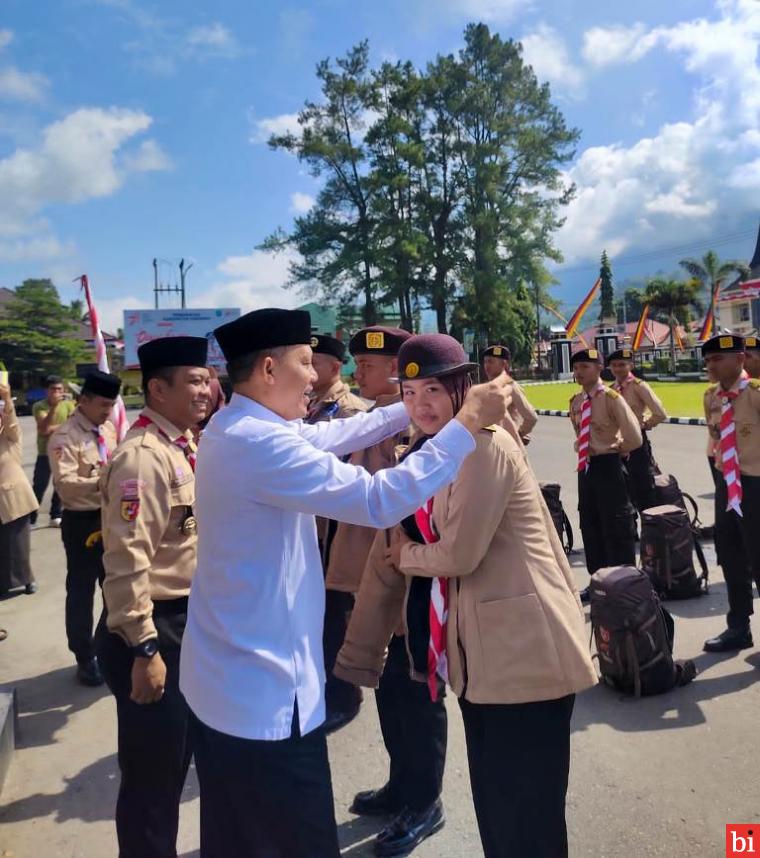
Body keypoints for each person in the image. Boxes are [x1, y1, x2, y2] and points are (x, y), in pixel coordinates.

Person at [179, 308, 511, 858]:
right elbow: (378, 501)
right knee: (294, 839)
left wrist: (398, 409)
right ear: (267, 369)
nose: (315, 376)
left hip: (227, 685)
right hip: (265, 697)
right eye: (305, 363)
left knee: (235, 835)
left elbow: (328, 434)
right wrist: (462, 427)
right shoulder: (260, 444)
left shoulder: (239, 427)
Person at [335, 333, 598, 858]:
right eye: (409, 396)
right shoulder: (436, 451)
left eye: (433, 389)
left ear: (463, 388)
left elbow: (457, 555)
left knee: (528, 821)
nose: (421, 405)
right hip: (487, 663)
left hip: (527, 658)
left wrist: (403, 557)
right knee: (500, 813)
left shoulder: (483, 445)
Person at [95, 336, 210, 858]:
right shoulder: (142, 460)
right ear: (157, 389)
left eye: (206, 378)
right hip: (152, 629)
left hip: (185, 624)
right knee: (152, 782)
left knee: (175, 763)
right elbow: (125, 565)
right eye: (193, 379)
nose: (206, 388)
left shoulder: (182, 445)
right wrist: (144, 648)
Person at [342, 325, 448, 847]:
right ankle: (401, 782)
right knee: (390, 689)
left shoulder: (431, 431)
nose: (357, 372)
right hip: (381, 572)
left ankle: (425, 800)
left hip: (416, 577)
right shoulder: (369, 423)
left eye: (367, 365)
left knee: (418, 690)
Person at [50, 370, 121, 687]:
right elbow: (66, 486)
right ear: (84, 401)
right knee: (81, 590)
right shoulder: (64, 438)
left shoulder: (107, 429)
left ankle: (107, 646)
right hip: (82, 523)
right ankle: (84, 655)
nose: (108, 411)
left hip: (111, 518)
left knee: (115, 586)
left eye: (112, 405)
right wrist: (107, 482)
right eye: (103, 405)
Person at [701, 334, 760, 653]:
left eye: (717, 359)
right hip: (727, 485)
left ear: (740, 359)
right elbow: (715, 442)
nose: (711, 365)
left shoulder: (755, 394)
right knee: (731, 555)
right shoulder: (711, 397)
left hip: (755, 485)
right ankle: (739, 626)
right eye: (708, 360)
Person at [569, 349, 642, 603]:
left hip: (608, 466)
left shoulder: (611, 398)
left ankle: (623, 582)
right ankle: (598, 580)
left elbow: (634, 437)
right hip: (586, 469)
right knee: (590, 523)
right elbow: (579, 431)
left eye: (585, 367)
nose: (579, 372)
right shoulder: (576, 401)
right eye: (576, 367)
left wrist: (613, 451)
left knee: (616, 524)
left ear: (600, 368)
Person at [607, 348, 667, 513]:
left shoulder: (639, 386)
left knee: (644, 487)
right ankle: (631, 534)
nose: (618, 369)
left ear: (631, 365)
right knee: (623, 488)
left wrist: (643, 425)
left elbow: (660, 413)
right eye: (614, 365)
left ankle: (652, 531)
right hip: (617, 443)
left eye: (622, 365)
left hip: (637, 443)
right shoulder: (610, 390)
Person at [0, 382, 38, 598]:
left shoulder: (10, 437)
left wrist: (6, 399)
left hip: (14, 497)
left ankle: (27, 580)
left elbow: (11, 422)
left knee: (19, 545)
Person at [31, 375, 76, 526]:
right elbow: (44, 429)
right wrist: (55, 409)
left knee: (60, 484)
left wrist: (55, 428)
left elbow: (73, 425)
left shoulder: (69, 405)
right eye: (53, 389)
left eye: (59, 389)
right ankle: (31, 518)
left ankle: (55, 515)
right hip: (45, 452)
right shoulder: (39, 406)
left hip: (63, 450)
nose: (56, 392)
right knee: (39, 485)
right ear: (46, 390)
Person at [481, 343, 538, 444]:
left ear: (504, 364)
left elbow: (531, 417)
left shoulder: (510, 387)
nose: (487, 365)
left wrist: (518, 434)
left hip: (506, 445)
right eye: (485, 362)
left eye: (491, 362)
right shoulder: (487, 388)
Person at [306, 333, 367, 424]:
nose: (307, 370)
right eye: (305, 364)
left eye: (312, 364)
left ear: (335, 368)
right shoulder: (310, 401)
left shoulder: (349, 410)